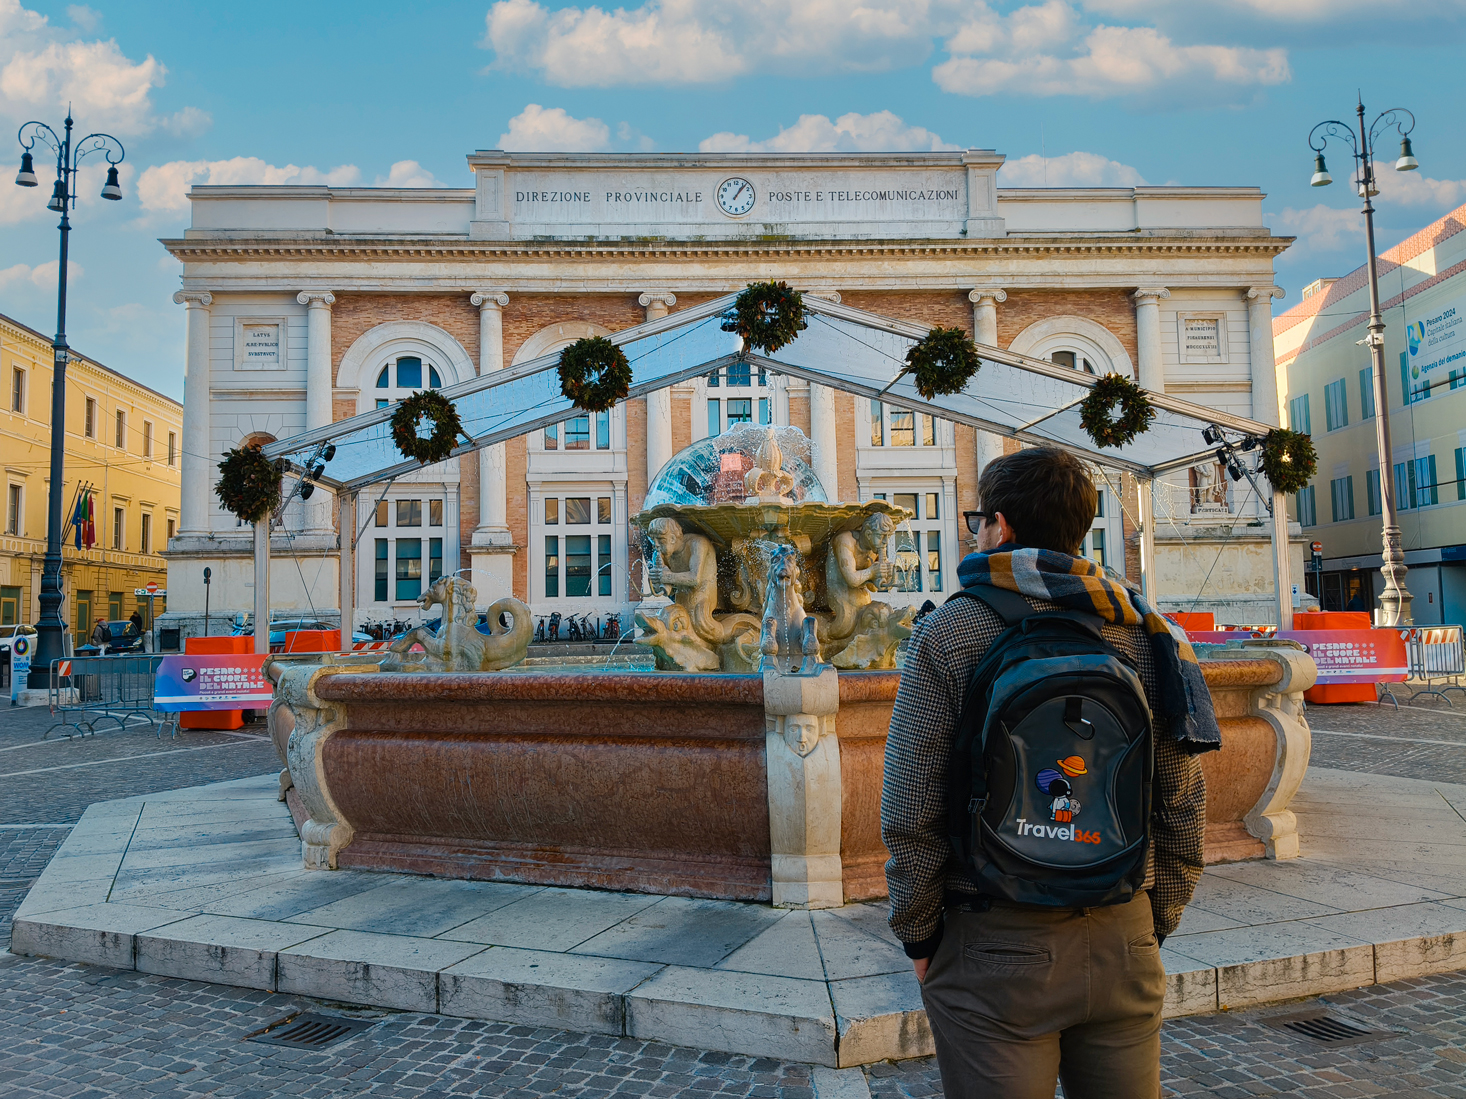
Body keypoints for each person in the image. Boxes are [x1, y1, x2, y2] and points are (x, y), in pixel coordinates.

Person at [881, 447, 1218, 1099]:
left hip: (995, 942)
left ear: (1001, 526)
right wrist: (1154, 920)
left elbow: (910, 809)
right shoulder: (1147, 632)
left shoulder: (950, 630)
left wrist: (918, 934)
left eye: (978, 519)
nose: (976, 531)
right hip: (1123, 933)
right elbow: (1181, 802)